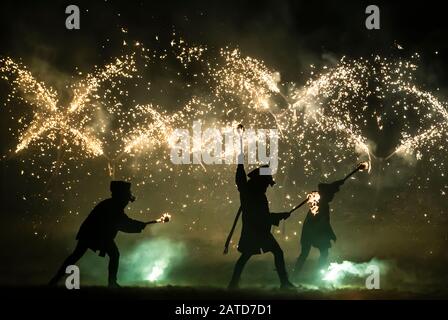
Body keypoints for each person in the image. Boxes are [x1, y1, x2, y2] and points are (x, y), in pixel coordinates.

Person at [49, 181, 147, 287]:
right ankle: (112, 283)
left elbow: (122, 222)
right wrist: (138, 225)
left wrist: (138, 225)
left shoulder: (111, 204)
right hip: (95, 234)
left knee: (76, 255)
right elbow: (122, 223)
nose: (127, 201)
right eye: (126, 196)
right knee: (113, 254)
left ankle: (55, 280)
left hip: (93, 233)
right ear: (121, 196)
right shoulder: (113, 206)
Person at [228, 160, 294, 289]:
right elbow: (261, 216)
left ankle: (233, 283)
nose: (267, 186)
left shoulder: (253, 193)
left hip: (258, 231)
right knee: (276, 252)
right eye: (266, 183)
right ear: (260, 181)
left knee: (247, 255)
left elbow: (263, 215)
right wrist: (240, 165)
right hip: (255, 231)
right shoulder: (249, 194)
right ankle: (284, 283)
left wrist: (278, 216)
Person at [294, 179, 344, 276]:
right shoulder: (321, 205)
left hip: (311, 232)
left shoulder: (319, 203)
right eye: (331, 194)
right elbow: (324, 222)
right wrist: (331, 234)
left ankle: (296, 274)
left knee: (305, 253)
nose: (332, 197)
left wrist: (336, 184)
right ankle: (317, 274)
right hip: (313, 232)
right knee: (321, 253)